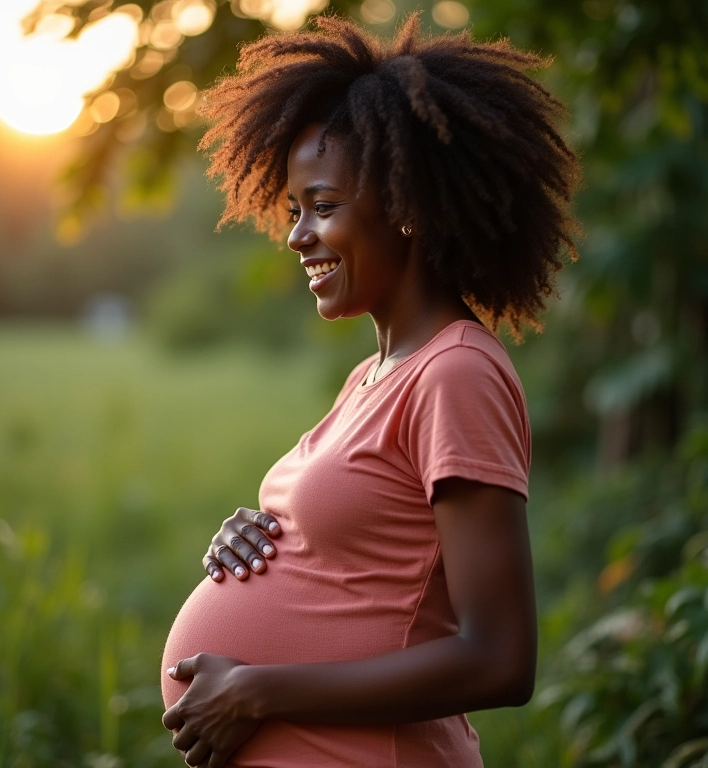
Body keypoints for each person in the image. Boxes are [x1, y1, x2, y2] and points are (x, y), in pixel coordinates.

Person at [160, 13, 580, 768]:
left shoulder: (456, 372)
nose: (297, 237)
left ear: (408, 209)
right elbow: (362, 560)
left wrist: (260, 690)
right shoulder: (374, 376)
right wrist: (257, 544)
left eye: (323, 207)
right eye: (294, 212)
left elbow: (500, 658)